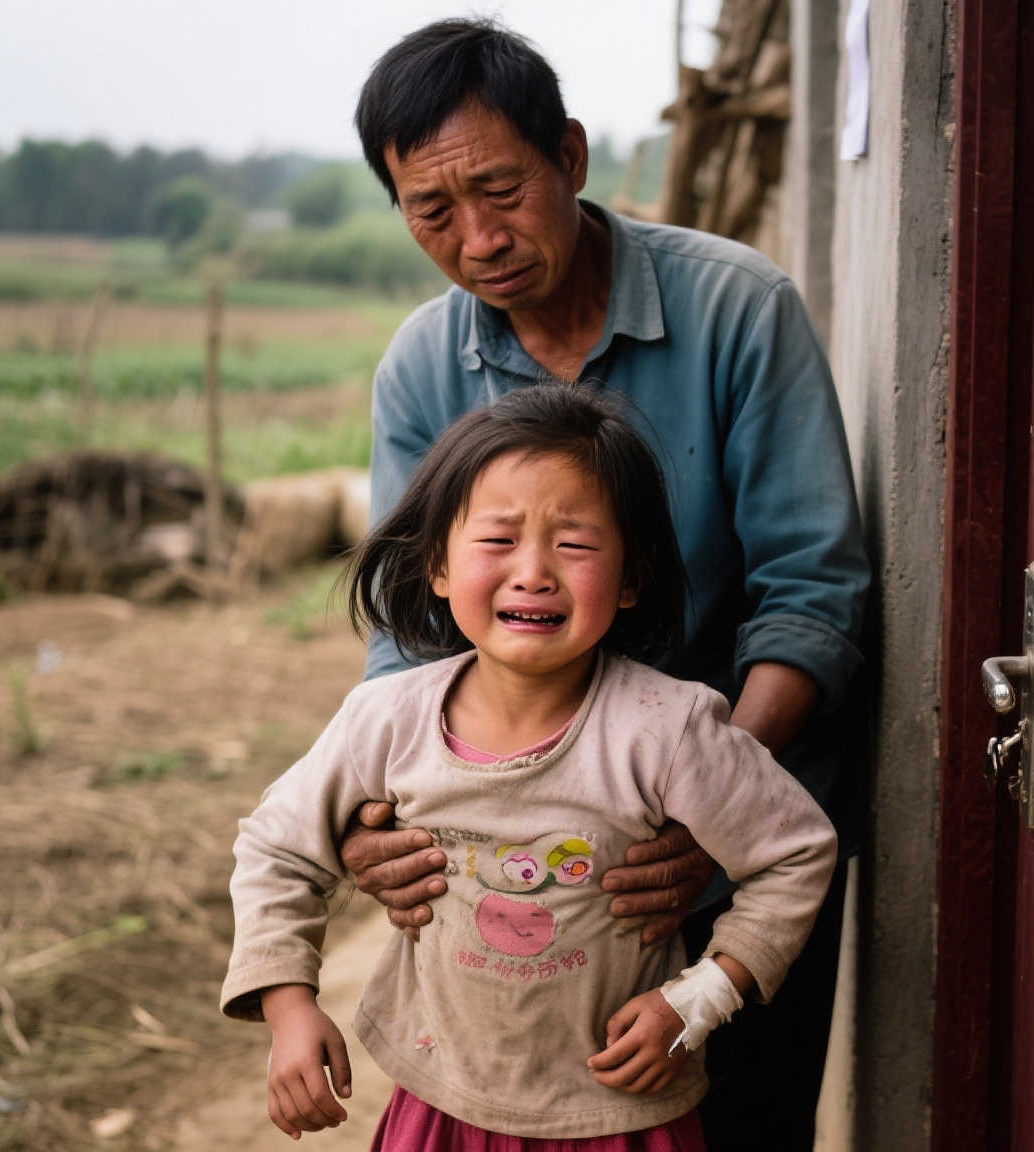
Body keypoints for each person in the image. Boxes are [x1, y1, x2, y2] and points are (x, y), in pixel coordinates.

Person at [331, 20, 870, 1149]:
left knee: (743, 1122)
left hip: (728, 840)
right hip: (524, 871)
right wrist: (382, 818)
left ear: (569, 157)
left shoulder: (736, 311)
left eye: (500, 189)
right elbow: (410, 633)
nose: (478, 238)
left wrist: (707, 807)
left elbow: (810, 593)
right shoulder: (425, 368)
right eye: (432, 212)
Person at [222, 386, 837, 1148]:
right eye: (497, 539)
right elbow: (276, 848)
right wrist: (288, 1006)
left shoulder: (669, 730)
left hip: (622, 1118)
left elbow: (796, 853)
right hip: (442, 1108)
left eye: (574, 544)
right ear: (438, 567)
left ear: (631, 577)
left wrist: (703, 996)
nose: (534, 571)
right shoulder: (386, 720)